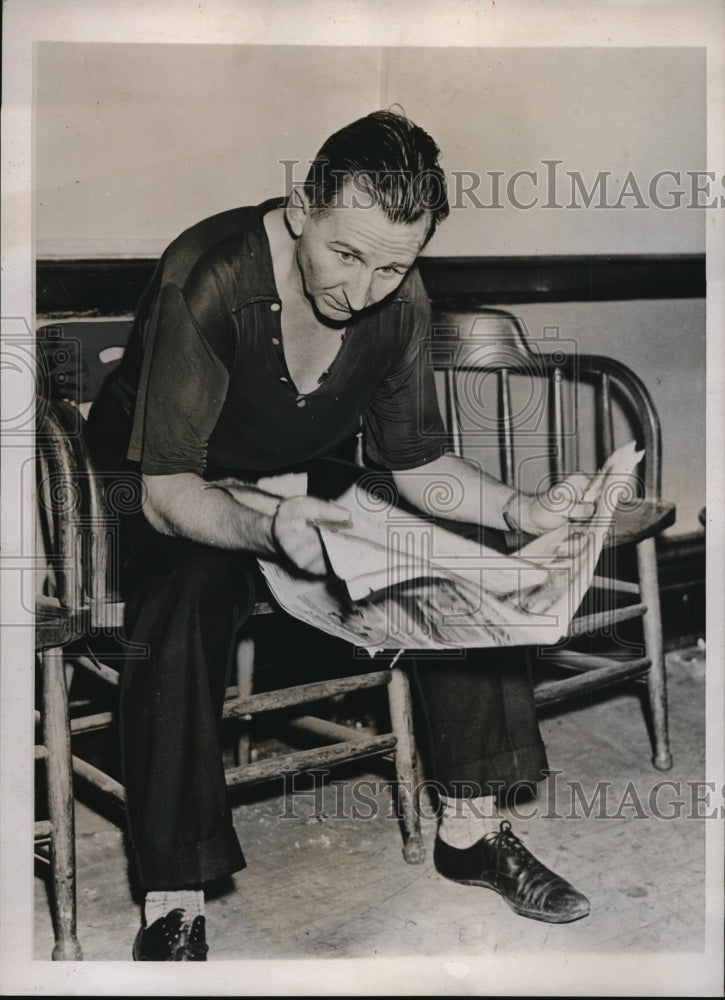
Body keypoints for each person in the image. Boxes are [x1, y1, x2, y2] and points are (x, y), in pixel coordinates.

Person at [86, 109, 594, 961]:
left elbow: (419, 460)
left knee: (450, 551)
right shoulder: (208, 276)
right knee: (182, 596)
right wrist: (265, 526)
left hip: (296, 480)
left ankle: (469, 833)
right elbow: (170, 490)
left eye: (392, 266)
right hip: (165, 489)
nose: (362, 292)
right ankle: (172, 896)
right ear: (300, 210)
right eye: (345, 255)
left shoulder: (397, 300)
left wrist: (520, 512)